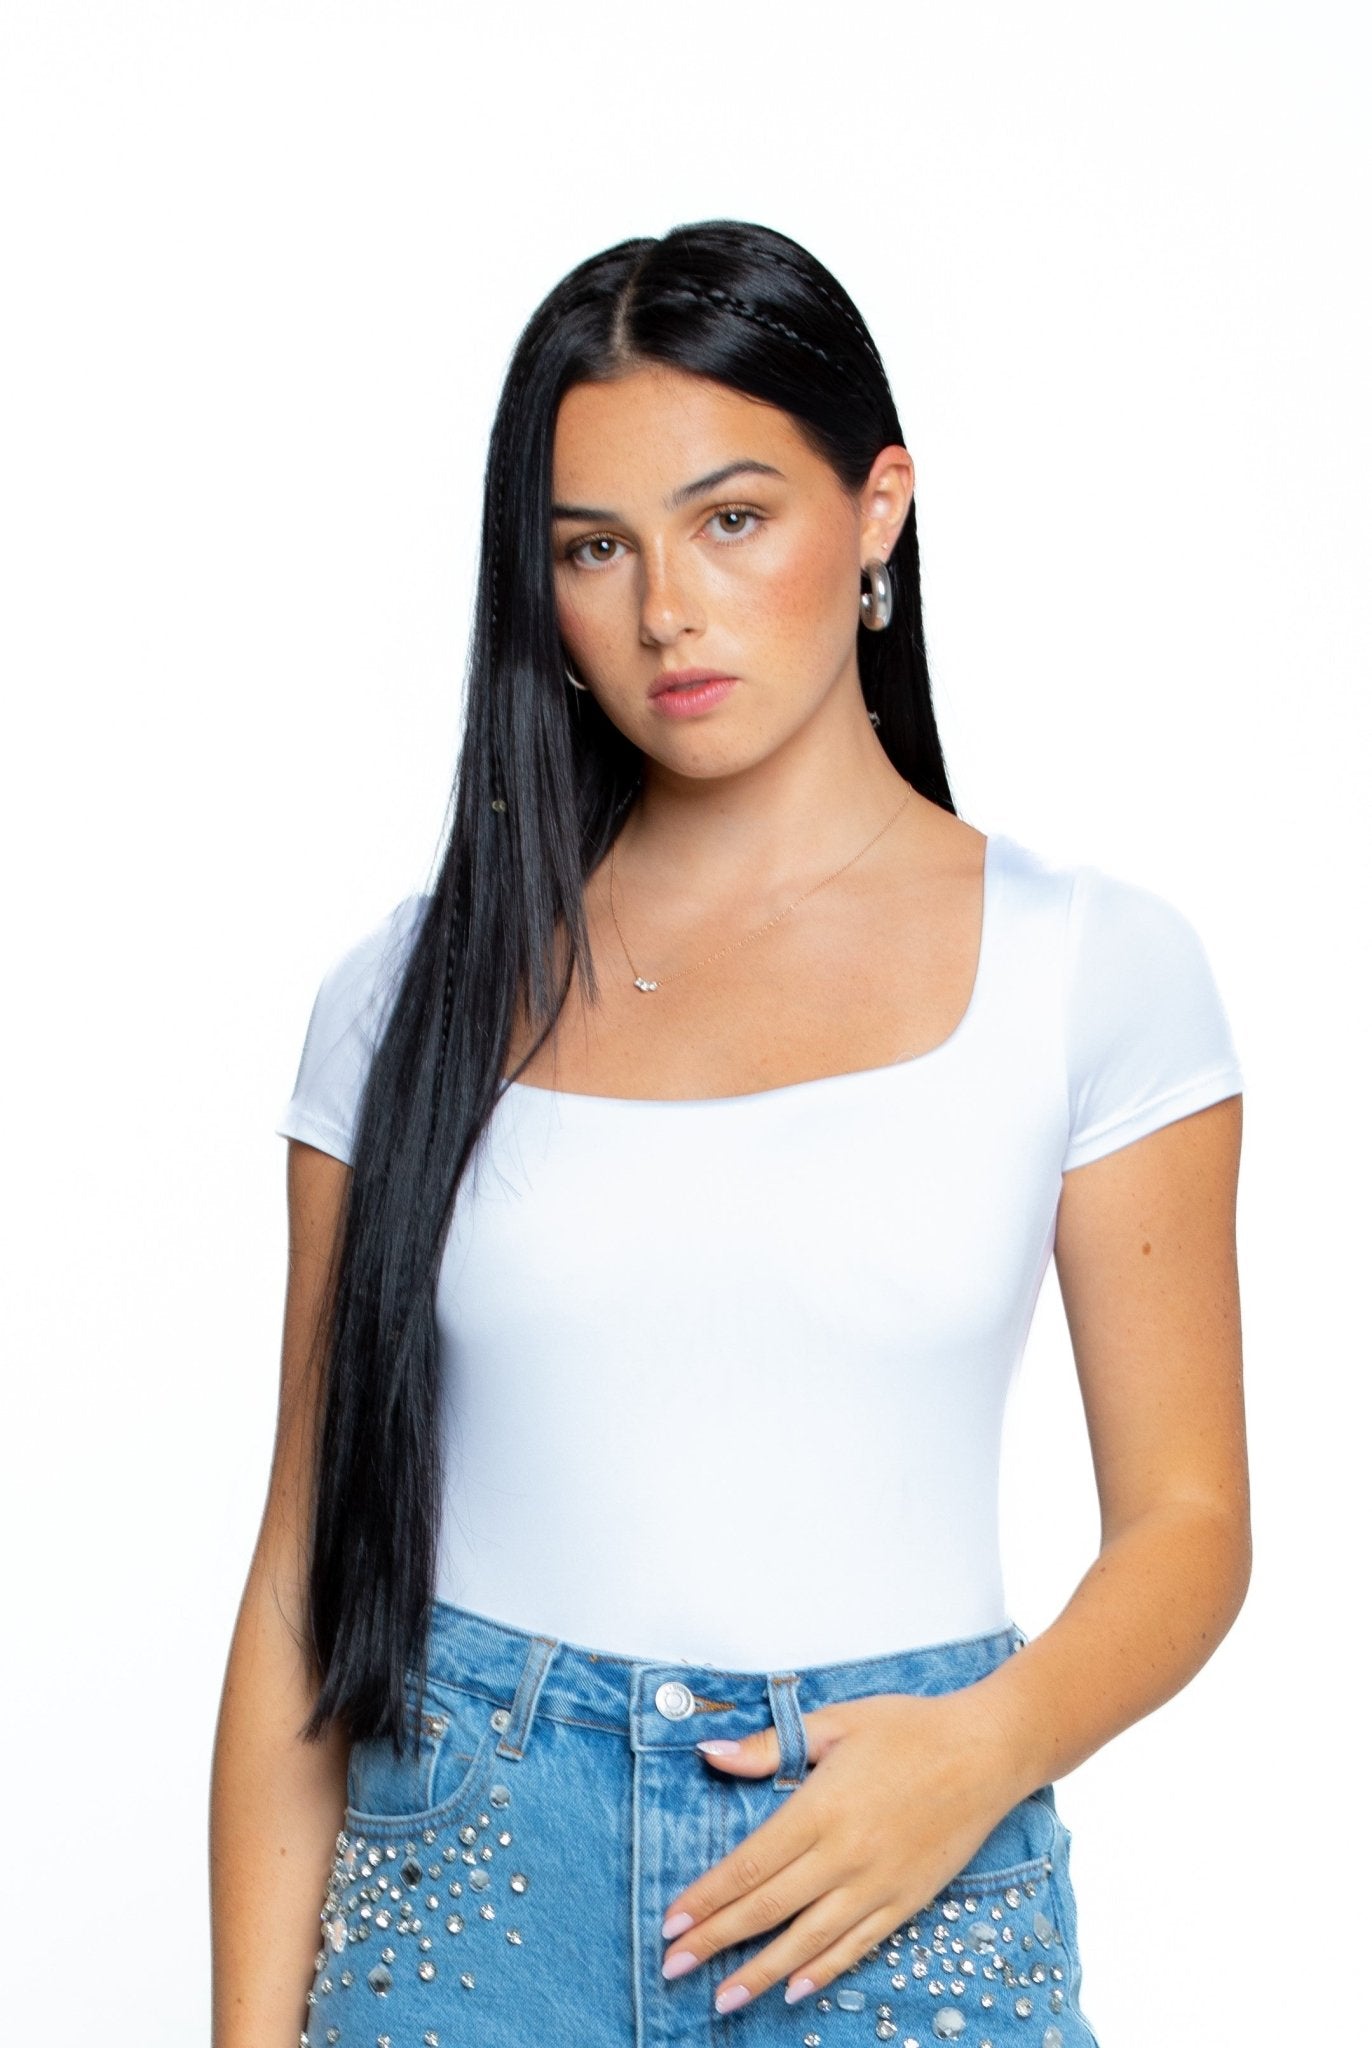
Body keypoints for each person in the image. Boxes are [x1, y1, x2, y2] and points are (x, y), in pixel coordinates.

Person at [210, 219, 1249, 2048]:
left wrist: (984, 1749)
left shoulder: (1090, 969)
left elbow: (1190, 1521)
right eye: (592, 549)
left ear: (878, 511)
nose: (664, 611)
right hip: (473, 1884)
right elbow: (307, 1572)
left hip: (899, 1867)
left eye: (733, 519)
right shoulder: (409, 996)